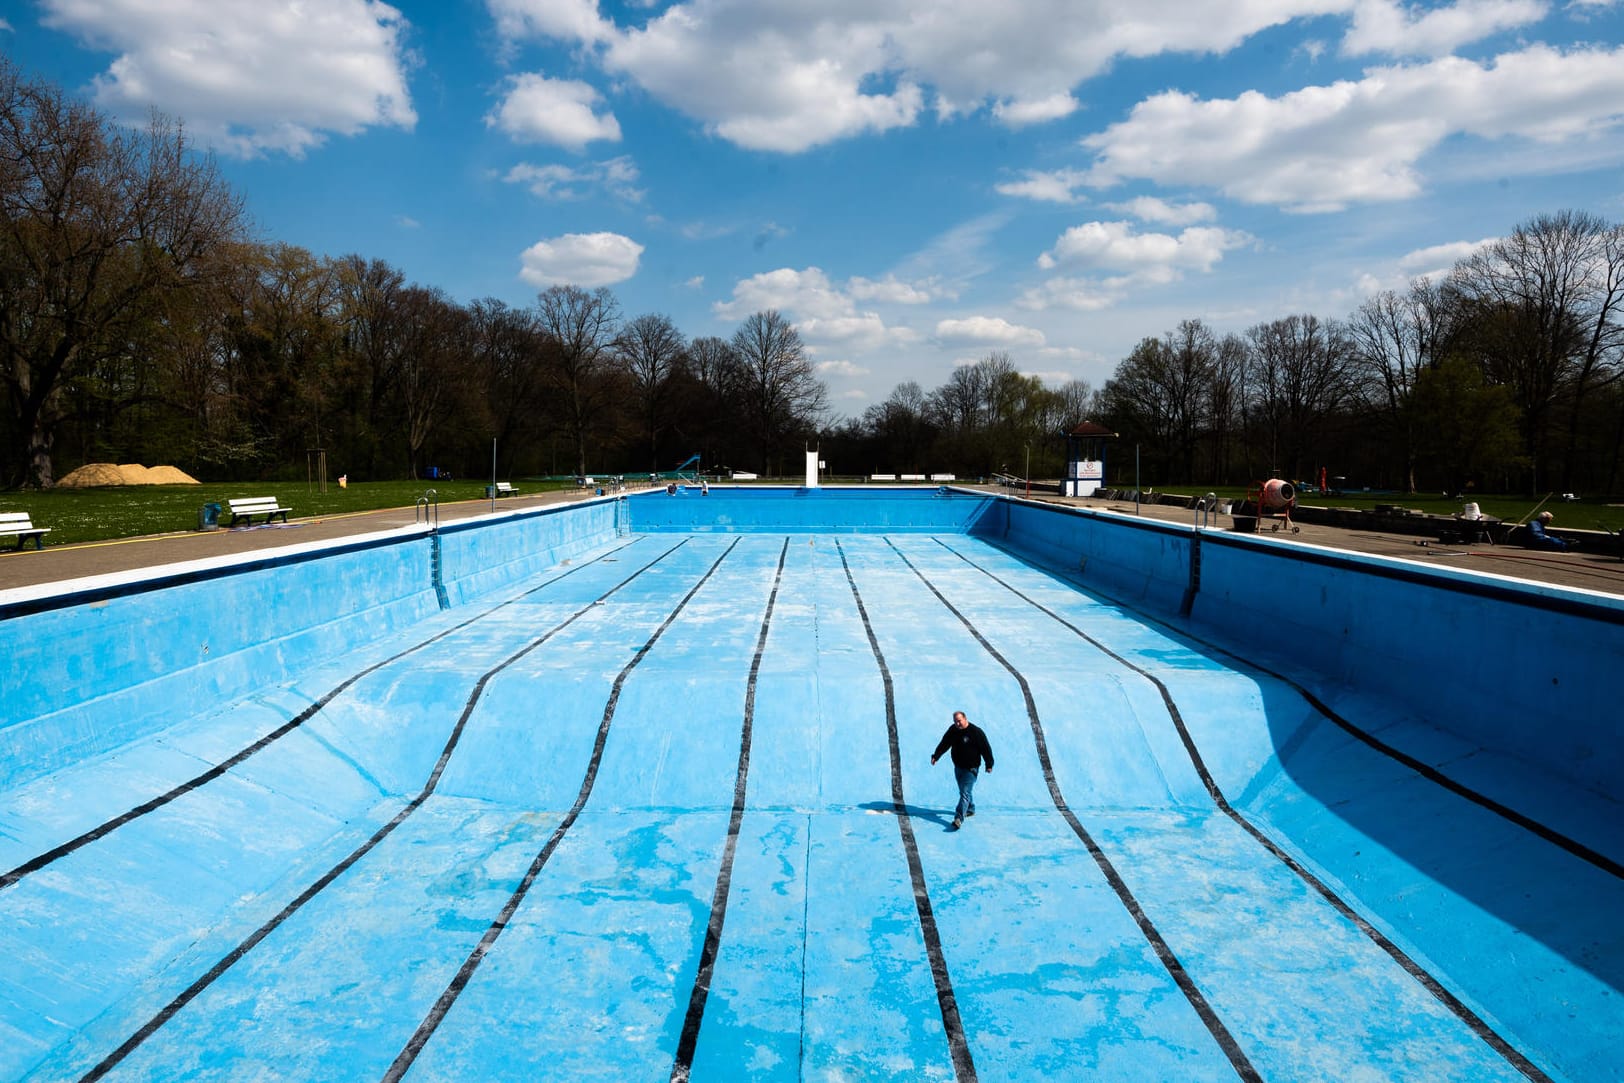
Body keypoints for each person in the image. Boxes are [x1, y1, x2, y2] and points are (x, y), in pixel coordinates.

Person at [930, 710, 994, 830]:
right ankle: (970, 808)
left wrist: (989, 764)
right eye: (955, 722)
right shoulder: (953, 730)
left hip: (971, 769)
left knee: (964, 793)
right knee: (964, 791)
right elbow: (945, 743)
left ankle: (958, 818)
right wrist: (936, 756)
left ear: (965, 718)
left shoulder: (976, 732)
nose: (957, 724)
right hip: (958, 767)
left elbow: (986, 748)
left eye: (959, 721)